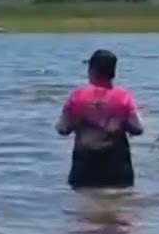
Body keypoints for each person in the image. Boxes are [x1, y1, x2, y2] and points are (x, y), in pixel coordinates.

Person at [55, 49, 144, 190]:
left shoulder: (77, 96)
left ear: (92, 70)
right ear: (113, 72)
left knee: (86, 208)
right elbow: (138, 129)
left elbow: (62, 129)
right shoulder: (123, 97)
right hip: (117, 169)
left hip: (84, 168)